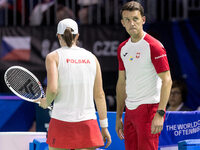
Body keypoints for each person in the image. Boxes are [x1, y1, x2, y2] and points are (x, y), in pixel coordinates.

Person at [35, 18, 111, 150]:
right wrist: (104, 127)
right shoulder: (92, 57)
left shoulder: (53, 57)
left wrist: (46, 102)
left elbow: (52, 90)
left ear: (58, 36)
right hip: (88, 124)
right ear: (77, 36)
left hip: (61, 122)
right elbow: (99, 95)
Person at [115, 1, 172, 150]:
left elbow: (167, 81)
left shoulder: (154, 46)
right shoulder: (122, 48)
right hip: (129, 111)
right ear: (122, 23)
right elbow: (121, 83)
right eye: (127, 20)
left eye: (135, 19)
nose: (131, 23)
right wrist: (119, 116)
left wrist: (160, 113)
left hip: (149, 109)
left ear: (143, 20)